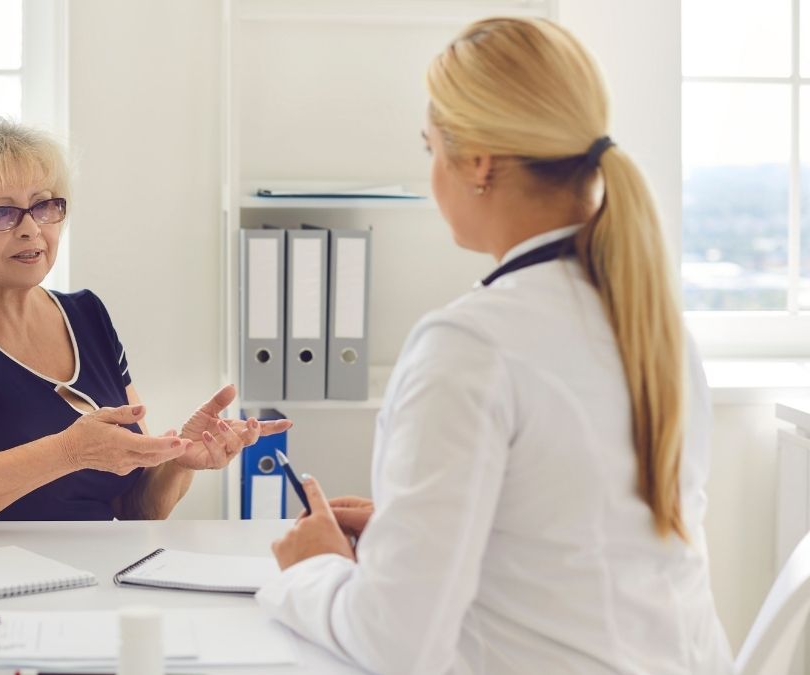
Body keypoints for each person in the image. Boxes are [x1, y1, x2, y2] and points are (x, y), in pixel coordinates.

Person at [257, 17, 732, 674]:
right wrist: (404, 530)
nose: (432, 172)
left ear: (478, 161)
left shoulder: (469, 346)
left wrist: (313, 568)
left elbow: (395, 642)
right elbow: (575, 541)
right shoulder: (658, 327)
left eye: (431, 149)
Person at [0, 115, 290, 538]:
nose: (32, 229)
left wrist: (177, 459)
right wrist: (67, 452)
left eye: (45, 206)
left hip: (92, 580)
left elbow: (134, 508)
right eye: (0, 213)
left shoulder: (86, 316)